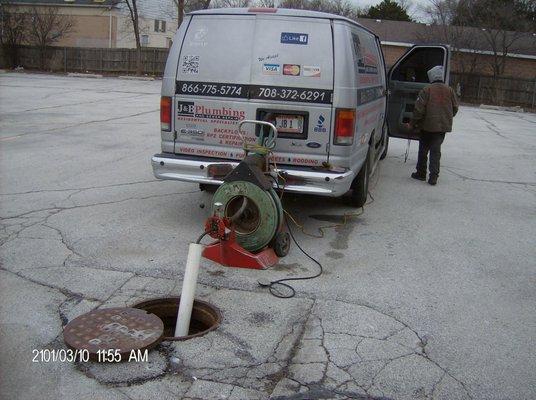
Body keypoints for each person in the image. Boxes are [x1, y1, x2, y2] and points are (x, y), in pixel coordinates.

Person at [409, 65, 458, 186]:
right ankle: (433, 177)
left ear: (431, 76)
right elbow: (455, 108)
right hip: (442, 127)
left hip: (427, 126)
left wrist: (412, 123)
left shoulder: (427, 90)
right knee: (436, 151)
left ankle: (421, 173)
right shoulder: (450, 90)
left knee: (423, 150)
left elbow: (419, 110)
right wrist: (446, 117)